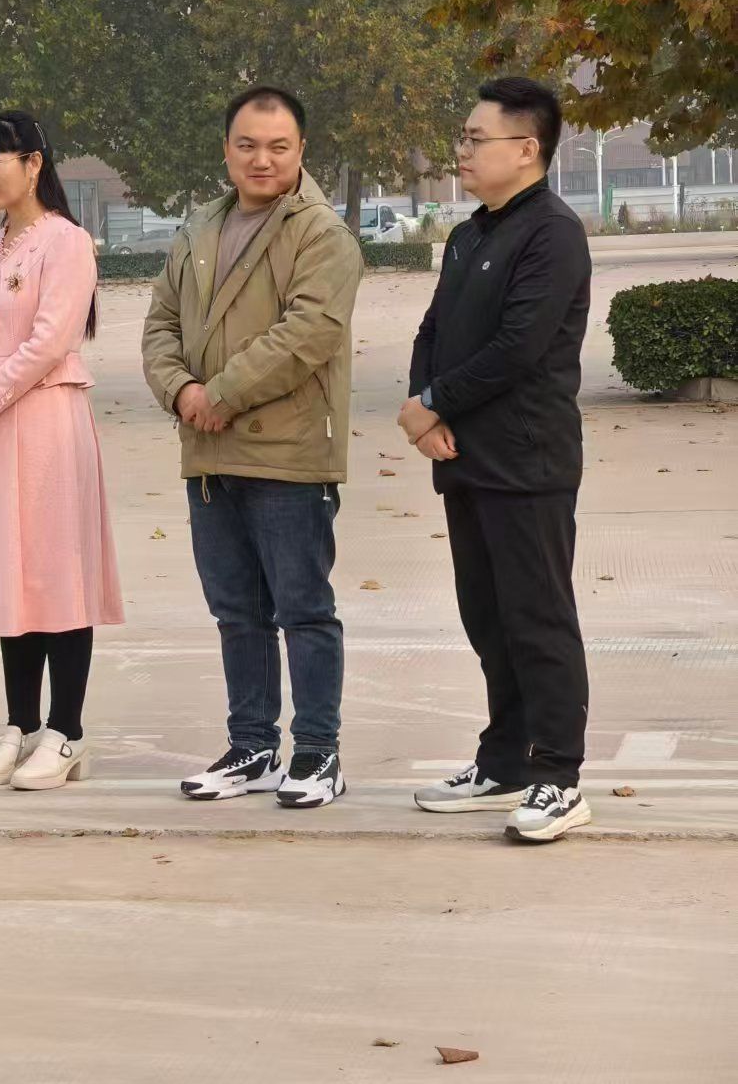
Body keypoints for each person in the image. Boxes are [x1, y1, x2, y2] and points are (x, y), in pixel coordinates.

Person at [142, 85, 362, 809]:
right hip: (209, 454)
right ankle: (253, 746)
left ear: (301, 151)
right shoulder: (199, 227)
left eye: (277, 146)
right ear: (227, 150)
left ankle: (319, 753)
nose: (261, 159)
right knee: (237, 612)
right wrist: (181, 390)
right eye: (247, 145)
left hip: (288, 455)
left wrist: (220, 394)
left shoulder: (322, 234)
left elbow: (308, 334)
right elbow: (160, 324)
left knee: (303, 609)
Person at [403, 76, 593, 843]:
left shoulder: (553, 234)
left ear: (527, 148)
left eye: (477, 139)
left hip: (527, 461)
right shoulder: (468, 235)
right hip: (465, 457)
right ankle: (506, 759)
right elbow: (434, 329)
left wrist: (435, 401)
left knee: (537, 618)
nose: (463, 150)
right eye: (464, 137)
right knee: (487, 616)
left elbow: (519, 347)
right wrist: (424, 405)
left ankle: (559, 775)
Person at [0, 110, 124, 791]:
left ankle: (66, 731)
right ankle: (18, 726)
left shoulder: (67, 242)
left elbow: (50, 341)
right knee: (9, 573)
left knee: (55, 574)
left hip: (44, 421)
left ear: (34, 164)